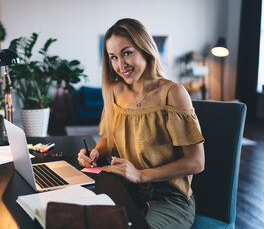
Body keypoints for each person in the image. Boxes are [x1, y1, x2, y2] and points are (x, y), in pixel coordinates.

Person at [77, 18, 205, 229]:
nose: (121, 65)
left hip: (168, 198)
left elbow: (196, 162)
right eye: (114, 57)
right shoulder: (115, 91)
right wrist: (96, 152)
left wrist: (140, 175)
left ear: (145, 49)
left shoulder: (173, 93)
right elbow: (110, 138)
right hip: (124, 187)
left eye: (127, 53)